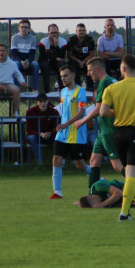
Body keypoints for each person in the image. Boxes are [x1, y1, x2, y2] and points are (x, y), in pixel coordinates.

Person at [73, 58, 135, 196]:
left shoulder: (105, 82)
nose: (88, 74)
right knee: (94, 161)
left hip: (108, 129)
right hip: (102, 129)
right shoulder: (111, 80)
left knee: (117, 165)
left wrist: (83, 121)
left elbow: (99, 109)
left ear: (98, 69)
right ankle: (93, 196)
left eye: (90, 70)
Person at [99, 54, 135, 220]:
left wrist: (117, 112)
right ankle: (124, 213)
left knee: (128, 174)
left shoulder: (111, 88)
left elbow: (103, 112)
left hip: (118, 134)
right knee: (132, 175)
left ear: (123, 68)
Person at [48, 65, 88, 199]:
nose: (63, 79)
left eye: (65, 76)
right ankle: (57, 191)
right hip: (63, 133)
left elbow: (81, 112)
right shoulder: (63, 92)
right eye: (61, 77)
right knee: (56, 159)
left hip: (76, 133)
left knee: (80, 165)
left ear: (73, 75)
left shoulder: (80, 91)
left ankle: (97, 175)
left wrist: (66, 124)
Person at [0, 44, 28, 114]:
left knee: (16, 89)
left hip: (8, 85)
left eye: (3, 51)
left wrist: (22, 81)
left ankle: (15, 114)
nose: (1, 53)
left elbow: (18, 74)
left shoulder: (12, 63)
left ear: (6, 52)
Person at [24, 93, 59, 164]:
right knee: (32, 138)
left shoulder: (54, 112)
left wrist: (51, 133)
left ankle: (58, 161)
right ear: (37, 102)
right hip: (36, 136)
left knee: (60, 138)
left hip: (49, 135)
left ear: (47, 101)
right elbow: (29, 130)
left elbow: (58, 128)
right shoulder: (30, 112)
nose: (43, 104)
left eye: (44, 101)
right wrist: (40, 134)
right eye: (40, 101)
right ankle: (39, 162)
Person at [10, 19, 40, 93]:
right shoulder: (14, 38)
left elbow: (32, 53)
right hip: (18, 60)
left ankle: (34, 89)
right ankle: (16, 90)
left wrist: (27, 61)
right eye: (22, 27)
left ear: (29, 29)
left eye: (26, 27)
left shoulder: (33, 38)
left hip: (28, 60)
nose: (24, 29)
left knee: (36, 65)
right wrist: (21, 62)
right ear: (18, 28)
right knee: (15, 64)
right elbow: (14, 53)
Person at [37, 23, 68, 94]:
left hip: (56, 64)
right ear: (48, 34)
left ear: (59, 33)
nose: (54, 34)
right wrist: (55, 58)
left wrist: (56, 46)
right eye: (52, 33)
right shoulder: (43, 42)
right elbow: (42, 57)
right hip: (46, 63)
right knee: (45, 65)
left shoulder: (63, 42)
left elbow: (62, 57)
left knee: (62, 64)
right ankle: (46, 91)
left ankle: (63, 89)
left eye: (56, 33)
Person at [66, 23, 97, 88]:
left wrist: (84, 61)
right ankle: (76, 87)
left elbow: (91, 54)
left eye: (83, 30)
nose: (81, 32)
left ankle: (91, 88)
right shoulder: (71, 40)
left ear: (85, 31)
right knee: (73, 67)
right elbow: (69, 55)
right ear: (76, 31)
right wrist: (78, 61)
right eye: (80, 30)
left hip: (86, 60)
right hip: (74, 60)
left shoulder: (90, 39)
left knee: (91, 66)